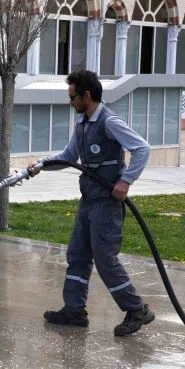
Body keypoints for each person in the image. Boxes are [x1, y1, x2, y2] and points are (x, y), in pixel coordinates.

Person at [27, 69, 154, 337]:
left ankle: (137, 310)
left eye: (73, 97)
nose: (70, 102)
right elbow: (69, 155)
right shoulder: (83, 123)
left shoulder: (109, 122)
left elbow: (142, 148)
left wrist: (126, 180)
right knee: (78, 255)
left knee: (105, 259)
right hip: (88, 201)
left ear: (87, 95)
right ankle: (74, 310)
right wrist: (40, 165)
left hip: (106, 204)